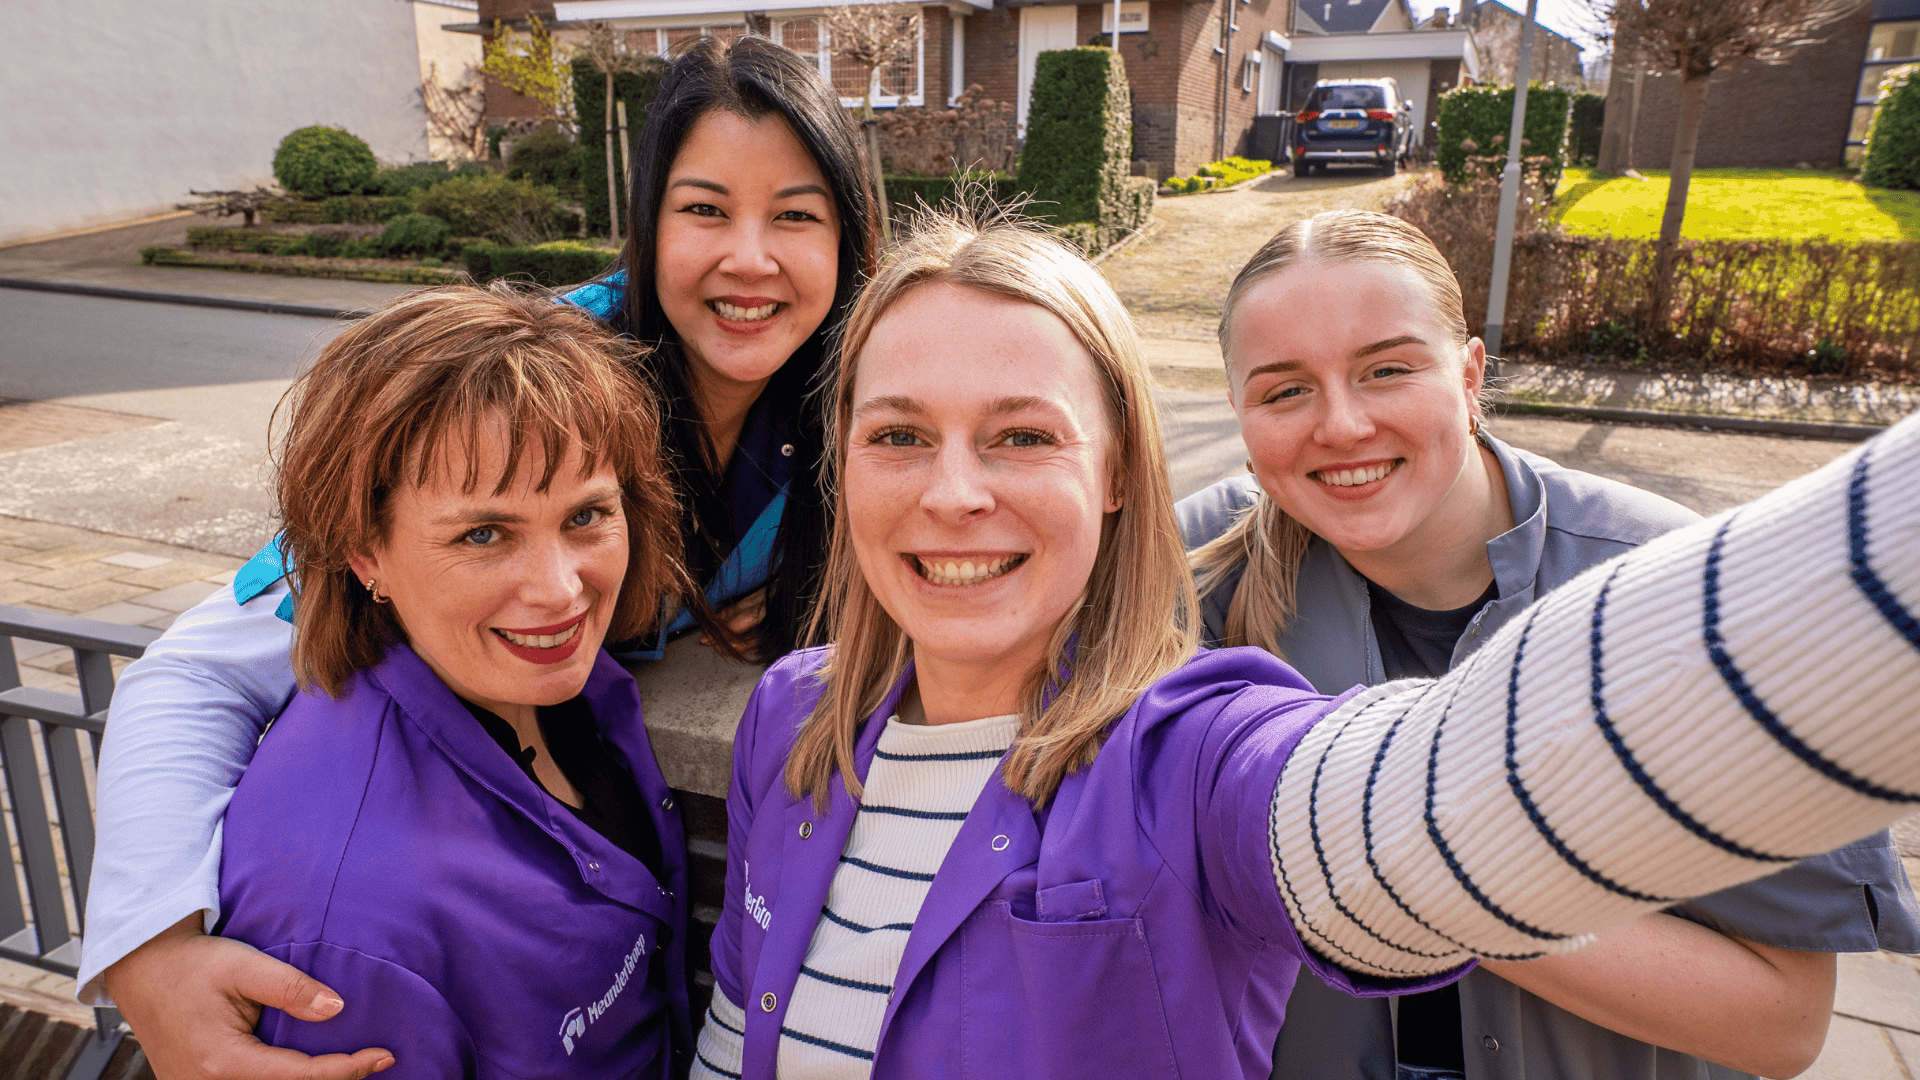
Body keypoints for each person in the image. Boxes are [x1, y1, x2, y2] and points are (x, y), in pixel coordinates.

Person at [684, 210, 1920, 1079]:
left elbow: (1337, 812)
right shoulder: (799, 717)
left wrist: (1409, 878)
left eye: (1022, 435)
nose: (956, 494)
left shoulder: (1190, 738)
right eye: (898, 435)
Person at [78, 34, 878, 1080]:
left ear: (850, 236)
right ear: (646, 225)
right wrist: (151, 950)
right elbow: (201, 669)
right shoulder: (536, 387)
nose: (750, 258)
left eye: (797, 215)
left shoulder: (859, 397)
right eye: (704, 209)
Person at [1178, 209, 1919, 1080]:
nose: (1340, 426)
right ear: (1239, 412)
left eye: (1388, 370)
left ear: (1470, 375)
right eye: (1284, 391)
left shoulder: (1671, 589)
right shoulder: (1191, 572)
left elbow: (1782, 1027)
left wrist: (1401, 861)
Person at [214, 284, 692, 1077]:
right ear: (365, 552)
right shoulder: (356, 929)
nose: (560, 590)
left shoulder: (548, 688)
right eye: (483, 534)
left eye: (585, 516)